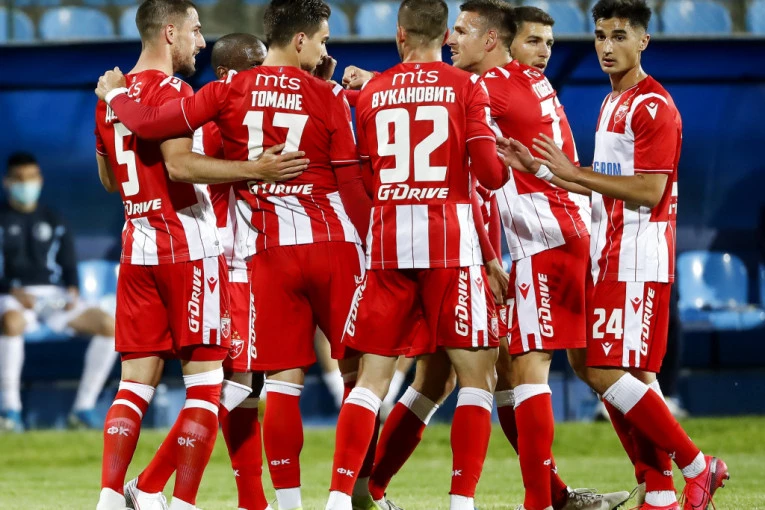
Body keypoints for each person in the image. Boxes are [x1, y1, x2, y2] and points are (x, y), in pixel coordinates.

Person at [346, 4, 628, 509]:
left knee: (448, 377)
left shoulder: (496, 87)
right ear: (508, 41)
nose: (543, 53)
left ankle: (367, 491)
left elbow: (427, 99)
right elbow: (480, 175)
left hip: (480, 244)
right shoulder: (483, 89)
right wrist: (490, 255)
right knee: (488, 374)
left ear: (493, 41)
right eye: (534, 41)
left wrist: (375, 83)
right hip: (476, 247)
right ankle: (544, 496)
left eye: (547, 43)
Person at [95, 2, 372, 509]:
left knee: (235, 382)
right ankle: (160, 489)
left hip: (159, 242)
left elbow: (112, 175)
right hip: (222, 253)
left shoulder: (190, 99)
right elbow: (184, 165)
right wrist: (314, 98)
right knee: (226, 383)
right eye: (253, 67)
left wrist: (313, 82)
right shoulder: (204, 103)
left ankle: (176, 495)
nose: (200, 42)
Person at [505, 0, 729, 508]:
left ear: (644, 41)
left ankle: (698, 465)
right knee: (622, 376)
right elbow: (601, 186)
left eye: (620, 36)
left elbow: (649, 191)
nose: (607, 47)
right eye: (601, 36)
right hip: (608, 254)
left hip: (638, 258)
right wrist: (541, 170)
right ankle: (660, 492)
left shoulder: (654, 106)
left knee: (604, 371)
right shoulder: (612, 103)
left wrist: (573, 171)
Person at [324, 0, 516, 508]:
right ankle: (461, 503)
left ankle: (340, 498)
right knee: (477, 378)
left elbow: (364, 176)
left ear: (400, 35)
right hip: (450, 247)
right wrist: (503, 161)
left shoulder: (372, 94)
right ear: (446, 35)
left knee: (371, 382)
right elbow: (489, 175)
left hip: (388, 246)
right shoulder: (466, 87)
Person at [199, 32, 274, 510]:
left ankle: (252, 500)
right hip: (231, 260)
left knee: (248, 383)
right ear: (229, 75)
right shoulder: (223, 120)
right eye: (258, 69)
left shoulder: (211, 113)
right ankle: (151, 481)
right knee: (237, 381)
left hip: (236, 257)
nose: (267, 78)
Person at [0, 152, 118, 432]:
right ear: (7, 182)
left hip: (52, 298)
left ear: (40, 180)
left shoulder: (54, 219)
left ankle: (83, 408)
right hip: (11, 296)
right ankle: (10, 411)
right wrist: (14, 292)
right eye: (20, 179)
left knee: (109, 326)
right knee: (11, 322)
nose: (26, 184)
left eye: (31, 178)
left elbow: (69, 267)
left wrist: (72, 293)